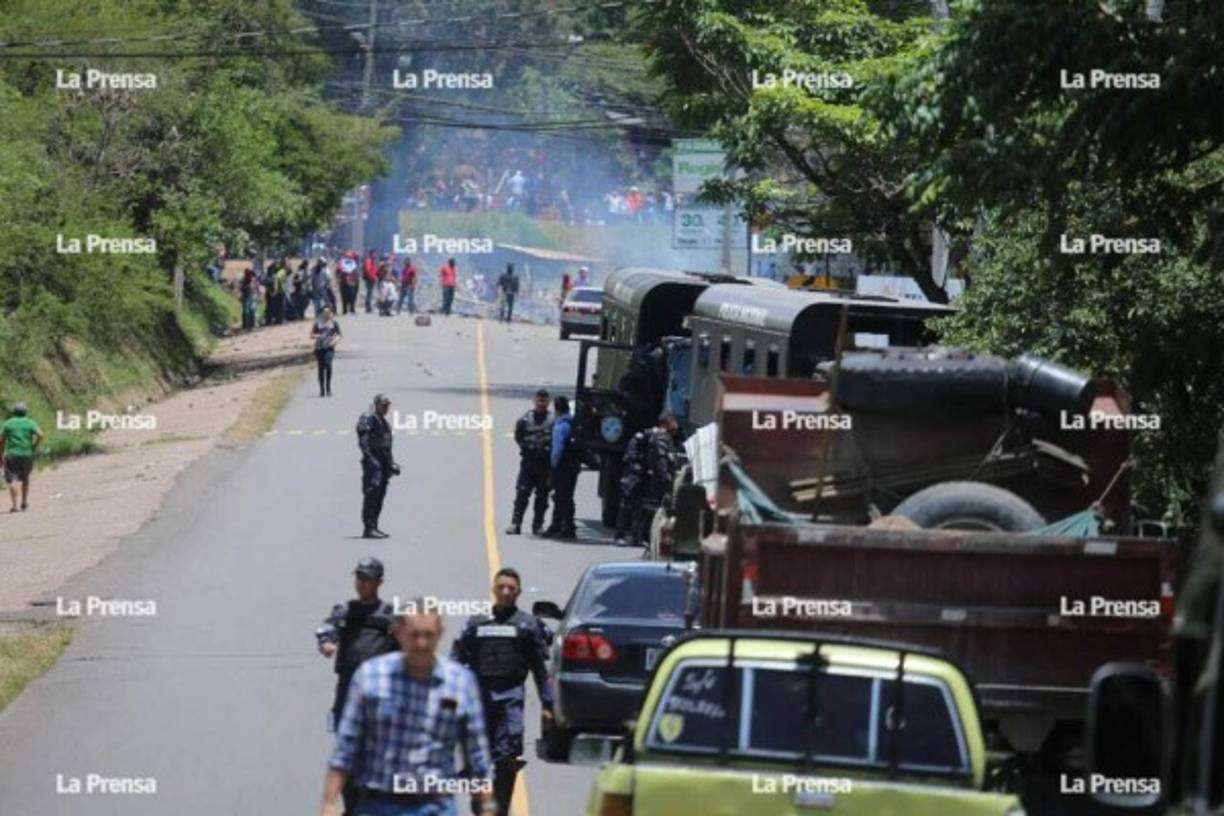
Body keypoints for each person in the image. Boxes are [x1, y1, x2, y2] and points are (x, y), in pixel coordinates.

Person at [320, 604, 494, 816]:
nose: (421, 643)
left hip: (435, 805)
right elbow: (346, 746)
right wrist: (329, 802)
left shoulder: (459, 683)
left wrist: (487, 805)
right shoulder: (371, 677)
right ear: (400, 634)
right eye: (414, 635)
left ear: (440, 635)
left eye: (428, 635)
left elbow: (478, 755)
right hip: (378, 803)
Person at [451, 569, 554, 816]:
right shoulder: (476, 623)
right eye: (501, 587)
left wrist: (548, 705)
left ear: (518, 592)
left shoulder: (527, 626)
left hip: (511, 698)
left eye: (511, 588)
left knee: (506, 760)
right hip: (479, 701)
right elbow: (454, 661)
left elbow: (540, 670)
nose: (506, 592)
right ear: (494, 589)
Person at [317, 557, 398, 816]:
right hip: (348, 697)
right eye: (359, 578)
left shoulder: (390, 618)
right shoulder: (345, 612)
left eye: (367, 579)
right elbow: (327, 628)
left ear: (379, 582)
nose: (361, 583)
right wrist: (327, 643)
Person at [505, 390, 552, 536]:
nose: (541, 404)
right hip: (529, 462)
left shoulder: (553, 420)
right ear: (534, 401)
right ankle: (515, 523)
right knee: (522, 492)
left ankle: (538, 525)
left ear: (548, 402)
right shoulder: (525, 419)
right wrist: (527, 447)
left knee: (542, 496)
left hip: (545, 463)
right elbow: (518, 436)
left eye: (544, 401)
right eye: (539, 400)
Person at [357, 394, 400, 539]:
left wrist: (391, 465)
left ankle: (374, 526)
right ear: (376, 404)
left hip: (383, 464)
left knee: (380, 496)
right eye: (383, 404)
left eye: (387, 405)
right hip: (373, 463)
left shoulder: (384, 422)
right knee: (372, 494)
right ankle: (368, 528)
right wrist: (370, 458)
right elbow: (363, 440)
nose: (386, 407)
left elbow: (386, 447)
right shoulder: (369, 418)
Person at [543, 396, 579, 540]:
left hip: (563, 466)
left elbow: (557, 449)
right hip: (573, 465)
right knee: (564, 496)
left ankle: (566, 526)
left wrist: (553, 466)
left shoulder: (561, 425)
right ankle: (559, 525)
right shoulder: (573, 422)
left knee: (562, 497)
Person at [0, 402, 43, 513]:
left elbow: (2, 441)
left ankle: (15, 506)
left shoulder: (8, 424)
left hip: (12, 455)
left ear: (14, 412)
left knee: (13, 479)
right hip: (27, 454)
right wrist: (34, 446)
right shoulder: (30, 423)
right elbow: (41, 435)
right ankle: (24, 502)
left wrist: (1, 454)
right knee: (25, 478)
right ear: (26, 412)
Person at [311, 307, 342, 397]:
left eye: (329, 312)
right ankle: (322, 390)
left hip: (329, 348)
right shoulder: (317, 323)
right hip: (319, 348)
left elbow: (339, 334)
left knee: (328, 365)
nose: (327, 314)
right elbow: (311, 335)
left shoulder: (334, 323)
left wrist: (335, 341)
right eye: (325, 313)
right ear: (322, 314)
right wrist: (318, 336)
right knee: (321, 368)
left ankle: (328, 388)